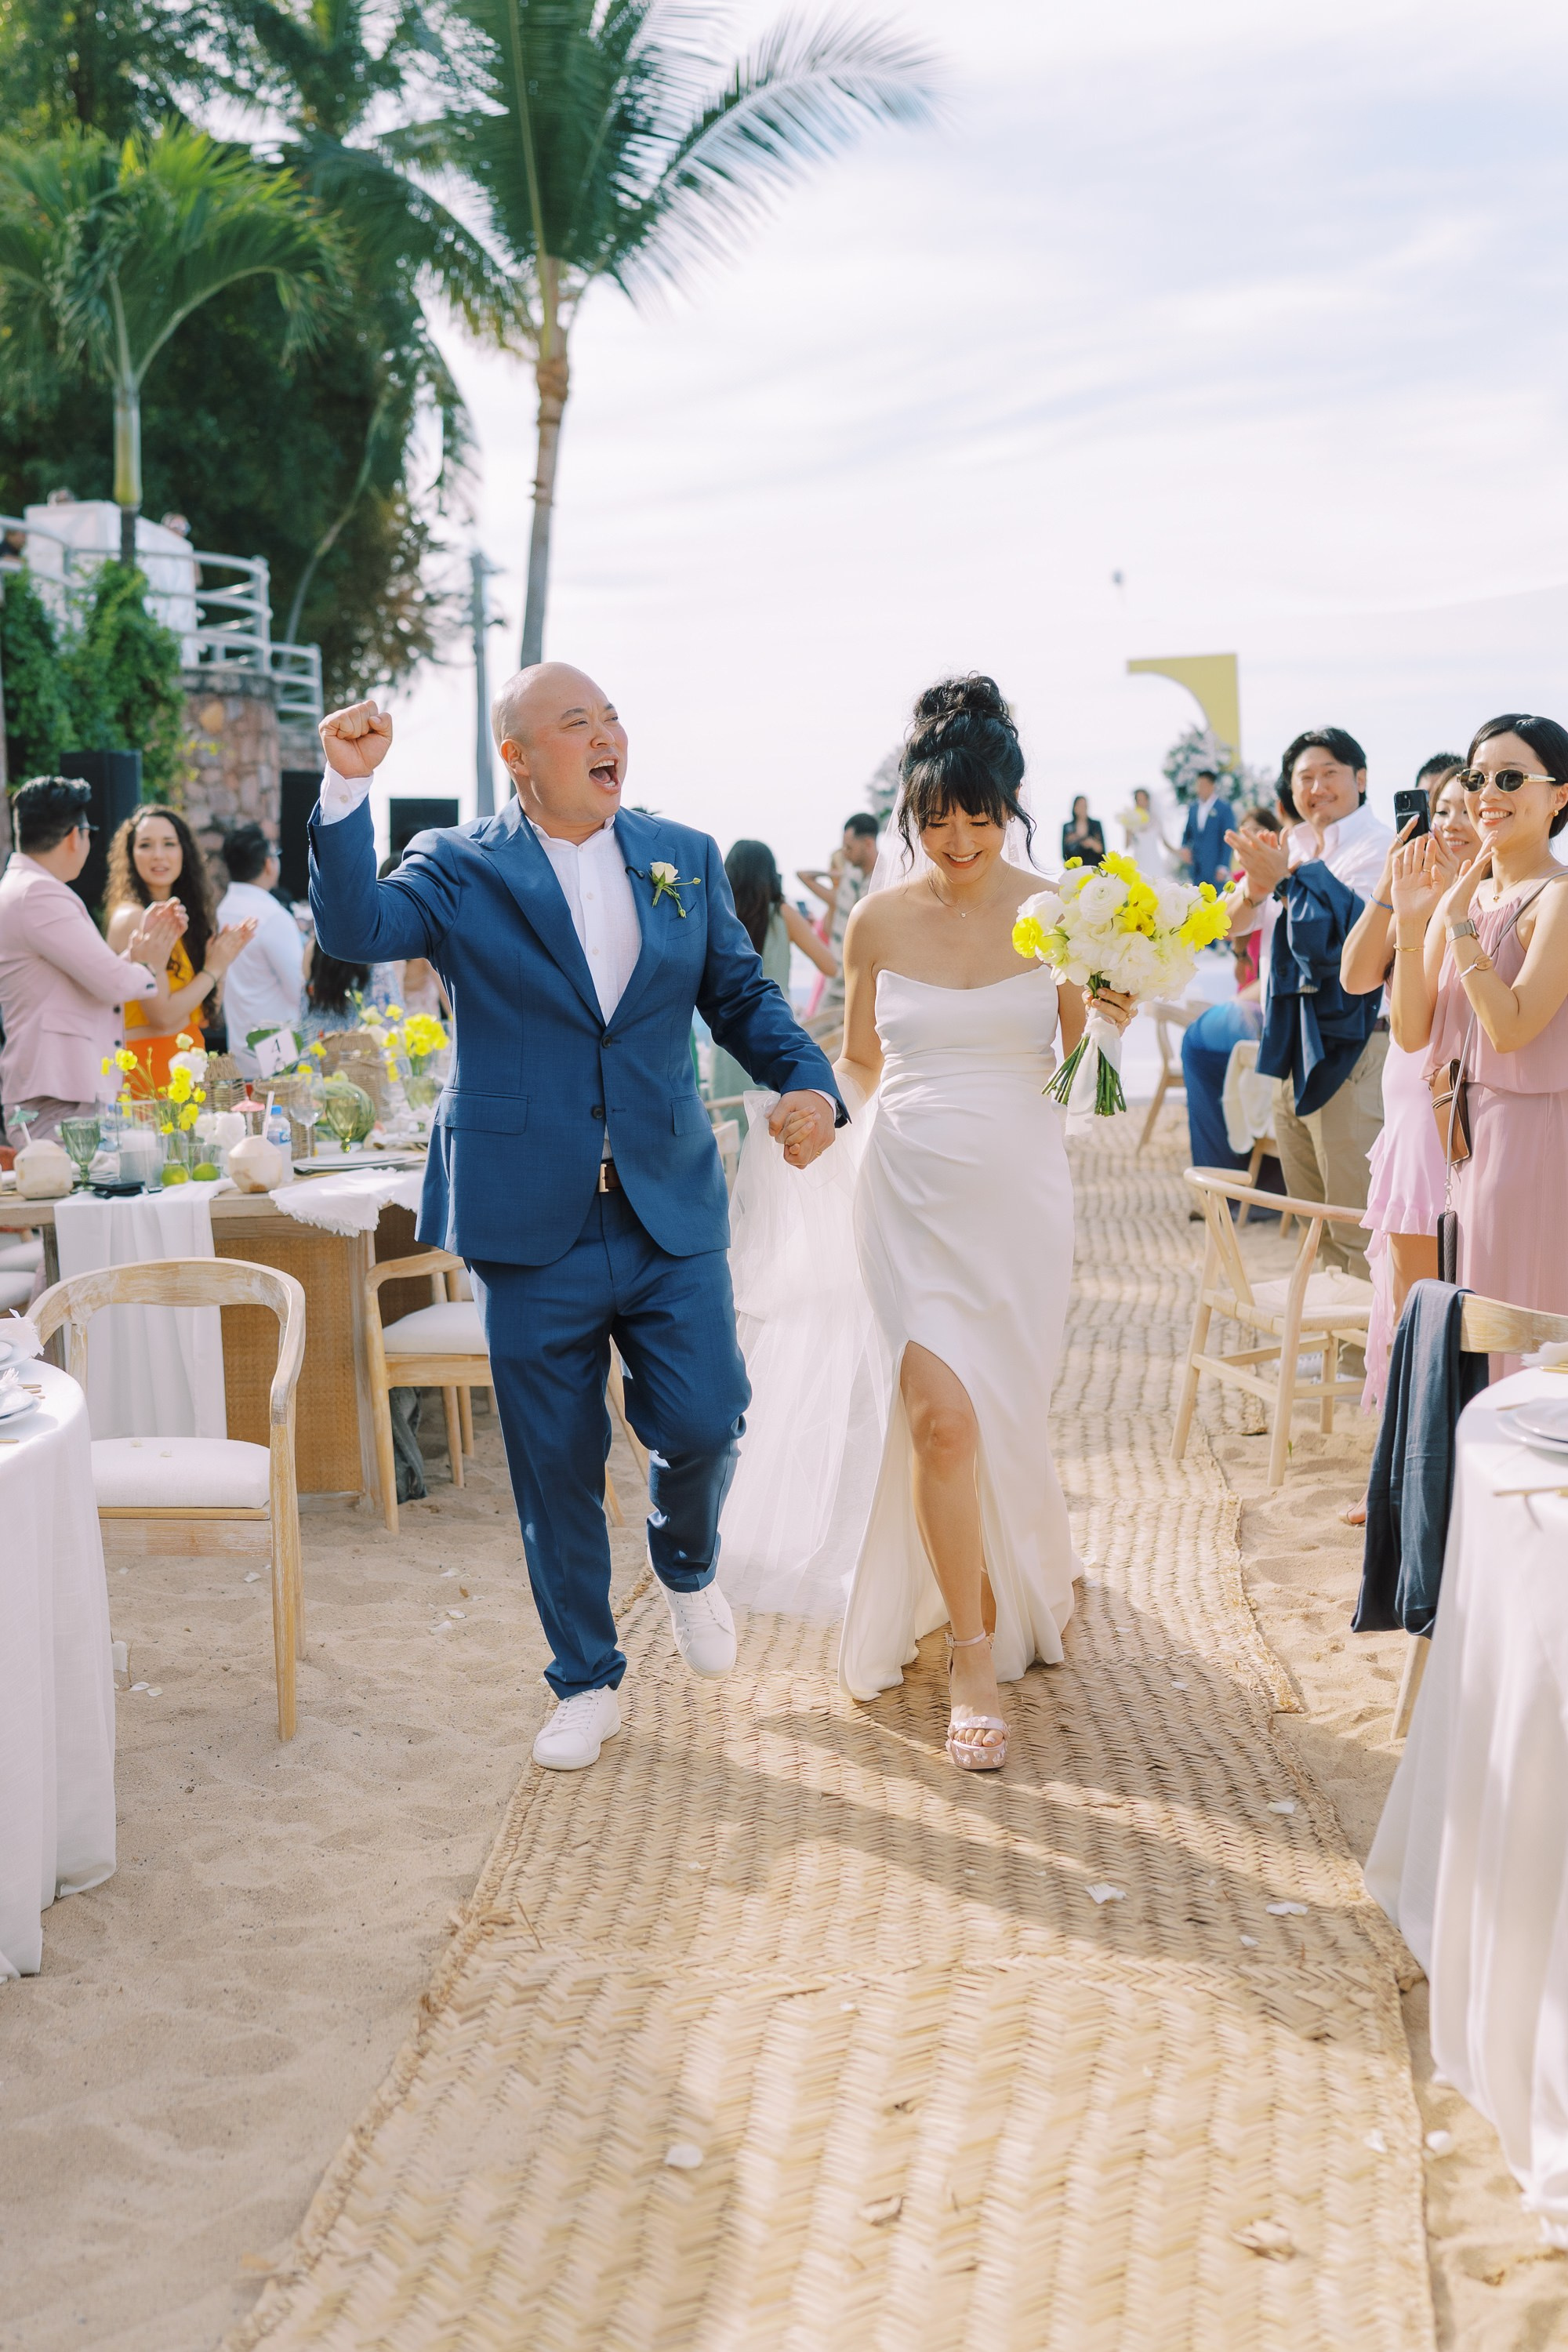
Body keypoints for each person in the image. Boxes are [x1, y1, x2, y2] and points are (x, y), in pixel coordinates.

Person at [309, 665, 841, 1772]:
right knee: (554, 1463)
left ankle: (685, 1563)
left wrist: (813, 1085)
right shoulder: (457, 868)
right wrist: (347, 790)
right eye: (575, 723)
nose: (606, 736)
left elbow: (740, 999)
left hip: (664, 1200)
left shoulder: (682, 855)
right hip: (527, 1212)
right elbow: (357, 926)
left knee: (705, 1420)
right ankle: (586, 1678)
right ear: (518, 757)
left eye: (611, 718)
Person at [720, 676, 1134, 1772]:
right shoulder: (876, 919)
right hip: (902, 1185)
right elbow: (859, 1058)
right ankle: (972, 1651)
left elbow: (1088, 1090)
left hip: (1018, 1198)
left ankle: (1004, 1575)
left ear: (1011, 808)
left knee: (997, 1417)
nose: (959, 839)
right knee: (939, 1419)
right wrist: (821, 1106)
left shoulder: (1064, 913)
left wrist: (1109, 1022)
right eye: (937, 818)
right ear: (911, 815)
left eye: (980, 816)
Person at [1389, 713, 1568, 1330]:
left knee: (1519, 1319)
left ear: (1559, 796)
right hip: (1460, 1140)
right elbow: (1412, 1034)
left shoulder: (1559, 896)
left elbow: (1510, 1028)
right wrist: (1415, 925)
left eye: (1511, 777)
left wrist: (1459, 922)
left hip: (1533, 1138)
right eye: (1477, 776)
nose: (1487, 795)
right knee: (1472, 1316)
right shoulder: (1461, 898)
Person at [1224, 729, 1393, 1276]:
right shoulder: (1288, 845)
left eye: (1329, 774)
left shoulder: (1381, 848)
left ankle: (1366, 1357)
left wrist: (1284, 883)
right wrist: (1257, 887)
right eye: (1304, 778)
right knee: (1310, 1215)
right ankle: (1336, 1351)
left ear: (1360, 779)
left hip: (1353, 1044)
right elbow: (1231, 924)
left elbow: (1347, 944)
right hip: (1293, 1041)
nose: (1316, 788)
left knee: (1354, 1216)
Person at [1340, 756, 1473, 1415]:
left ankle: (1432, 1458)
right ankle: (1399, 1466)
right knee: (1403, 1300)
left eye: (1464, 808)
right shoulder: (1414, 896)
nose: (1451, 822)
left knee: (1450, 1295)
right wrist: (1393, 890)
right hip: (1411, 1120)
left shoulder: (1497, 899)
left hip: (1451, 1113)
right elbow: (1357, 977)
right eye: (1440, 808)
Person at [0, 775, 183, 1147]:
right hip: (57, 1092)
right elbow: (112, 982)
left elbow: (95, 971)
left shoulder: (26, 888)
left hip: (59, 1087)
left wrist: (138, 952)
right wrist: (149, 963)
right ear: (75, 835)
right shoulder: (39, 894)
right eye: (90, 833)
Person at [104, 805, 256, 1088]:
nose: (158, 855)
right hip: (148, 1080)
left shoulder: (186, 919)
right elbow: (162, 1016)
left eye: (169, 844)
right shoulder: (133, 918)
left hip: (187, 1078)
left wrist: (221, 959)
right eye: (146, 845)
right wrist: (214, 969)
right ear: (130, 855)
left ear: (183, 851)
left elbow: (206, 1015)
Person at [709, 840, 837, 1129]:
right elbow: (829, 965)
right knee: (773, 1128)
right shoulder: (783, 915)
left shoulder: (721, 916)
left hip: (728, 1041)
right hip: (776, 1034)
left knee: (731, 1128)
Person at [216, 823, 307, 1077]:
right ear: (269, 864)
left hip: (239, 1043)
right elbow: (298, 990)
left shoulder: (223, 909)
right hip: (277, 1046)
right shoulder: (273, 916)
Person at [798, 813, 880, 1033]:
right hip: (836, 980)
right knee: (815, 1038)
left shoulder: (885, 881)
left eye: (849, 847)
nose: (845, 853)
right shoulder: (850, 879)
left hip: (867, 985)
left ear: (868, 843)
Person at [300, 944, 373, 1042]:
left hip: (320, 1042)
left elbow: (307, 1005)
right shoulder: (372, 949)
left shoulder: (312, 949)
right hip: (360, 1042)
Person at [1179, 769, 1235, 891]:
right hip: (1196, 867)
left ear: (1212, 786)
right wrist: (1184, 847)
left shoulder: (1224, 808)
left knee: (1216, 902)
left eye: (1203, 785)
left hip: (1215, 868)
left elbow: (1228, 839)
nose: (1199, 789)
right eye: (1198, 785)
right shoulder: (1193, 807)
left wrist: (1223, 866)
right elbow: (1187, 832)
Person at [1061, 794, 1105, 866]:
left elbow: (1103, 850)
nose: (1082, 809)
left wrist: (1092, 843)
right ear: (1074, 807)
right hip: (1075, 870)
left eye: (1084, 806)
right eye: (1080, 806)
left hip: (1094, 868)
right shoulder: (1067, 827)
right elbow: (1064, 853)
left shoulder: (1095, 825)